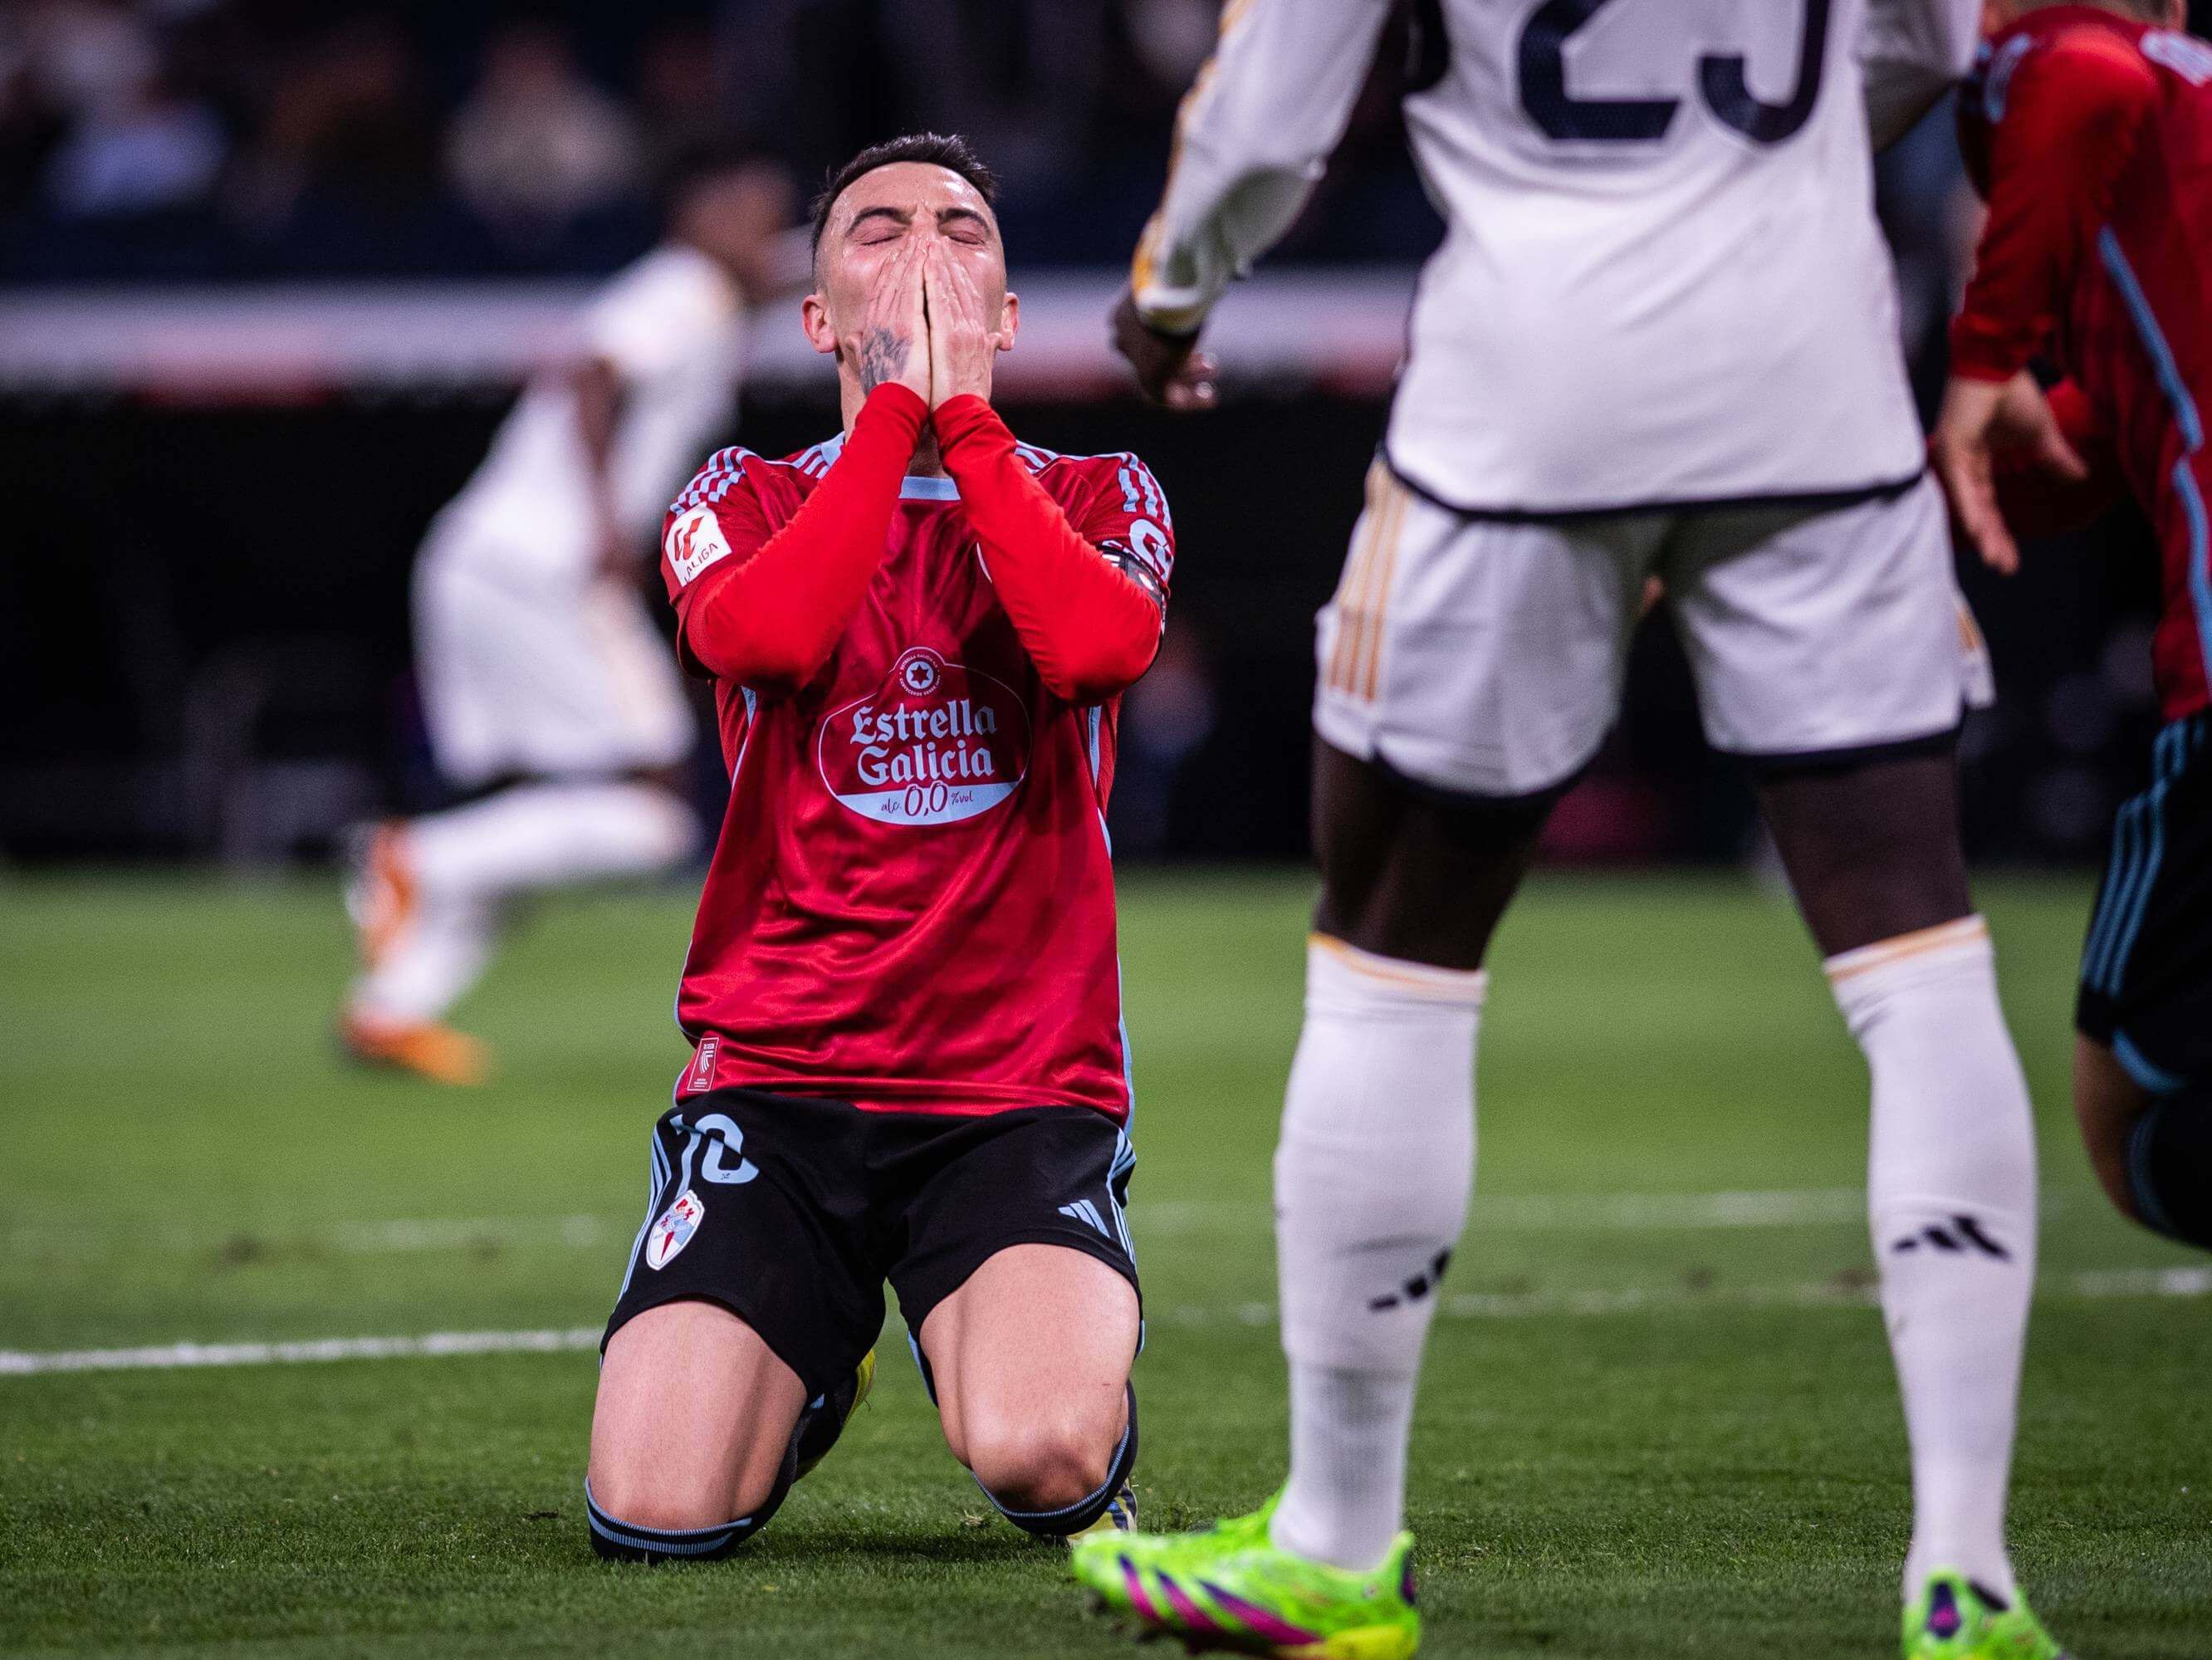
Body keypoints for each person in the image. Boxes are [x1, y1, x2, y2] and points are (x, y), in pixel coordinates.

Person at [1080, 3, 2065, 1657]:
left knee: (1392, 933)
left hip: (1529, 398)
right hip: (1811, 371)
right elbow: (1928, 39)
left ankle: (1335, 1538)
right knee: (1915, 930)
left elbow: (1265, 116)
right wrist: (1764, 176)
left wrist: (1168, 297)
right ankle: (1966, 1571)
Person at [583, 133, 1172, 1563]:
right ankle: (820, 1348)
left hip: (1014, 1089)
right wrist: (894, 421)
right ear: (814, 314)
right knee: (652, 1509)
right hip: (780, 1083)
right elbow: (766, 636)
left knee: (1041, 1456)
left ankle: (1003, 1341)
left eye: (963, 232)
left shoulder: (1102, 490)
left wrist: (957, 429)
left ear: (1010, 316)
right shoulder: (737, 494)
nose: (922, 255)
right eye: (877, 230)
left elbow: (1097, 648)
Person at [340, 150, 794, 1085]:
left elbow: (779, 281)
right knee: (657, 804)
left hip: (488, 558)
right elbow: (594, 371)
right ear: (696, 216)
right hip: (541, 565)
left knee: (549, 823)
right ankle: (412, 855)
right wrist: (603, 521)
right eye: (749, 215)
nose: (763, 237)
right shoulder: (683, 288)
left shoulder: (706, 297)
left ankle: (390, 1007)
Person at [1931, 0, 2212, 1256]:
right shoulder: (2180, 140)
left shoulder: (2063, 64)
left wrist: (1982, 351)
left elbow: (2088, 76)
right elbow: (2126, 418)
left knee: (2128, 1115)